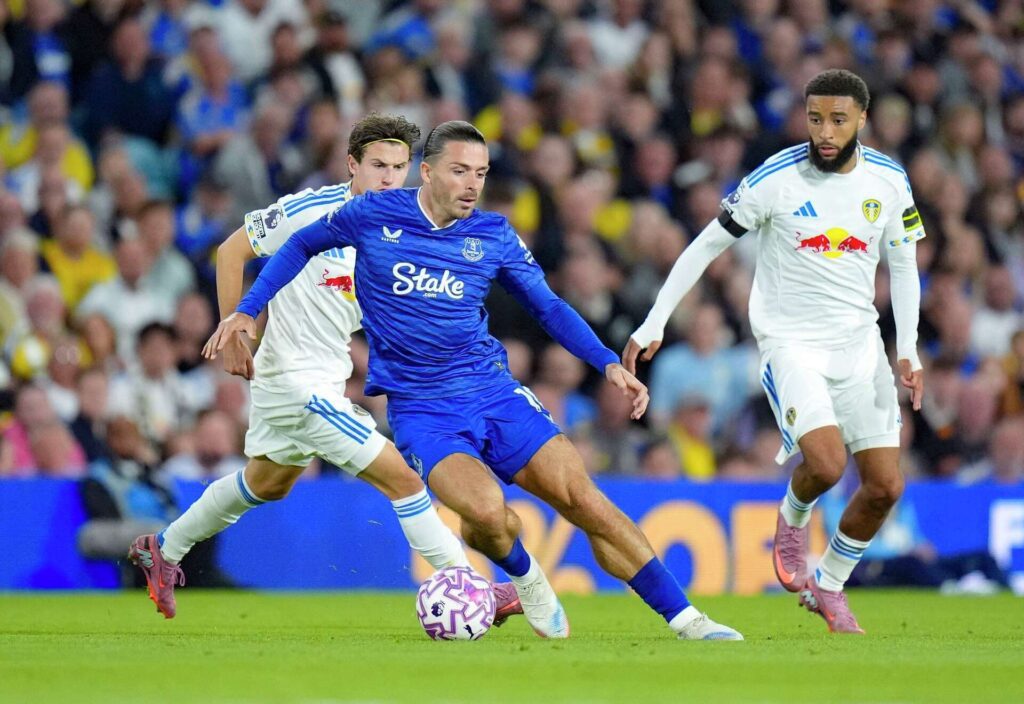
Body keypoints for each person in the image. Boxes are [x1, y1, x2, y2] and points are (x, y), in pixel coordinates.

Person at [206, 120, 743, 641]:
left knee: (583, 498)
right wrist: (247, 311)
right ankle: (528, 578)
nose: (472, 185)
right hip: (423, 411)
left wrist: (606, 362)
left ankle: (687, 619)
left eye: (481, 173)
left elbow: (548, 306)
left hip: (493, 392)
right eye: (460, 171)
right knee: (488, 514)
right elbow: (300, 245)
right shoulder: (373, 214)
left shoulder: (493, 234)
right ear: (428, 172)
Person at [129, 113, 520, 624]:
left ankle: (163, 548)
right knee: (404, 478)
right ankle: (473, 586)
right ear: (352, 164)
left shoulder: (408, 227)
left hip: (324, 378)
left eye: (399, 167)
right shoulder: (311, 211)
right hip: (295, 384)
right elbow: (230, 251)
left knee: (267, 483)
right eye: (378, 165)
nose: (389, 178)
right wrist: (235, 330)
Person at [623, 69, 926, 634]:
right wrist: (654, 321)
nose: (825, 132)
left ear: (863, 119)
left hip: (860, 345)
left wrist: (906, 348)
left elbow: (904, 265)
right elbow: (706, 244)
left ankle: (829, 585)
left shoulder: (889, 180)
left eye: (838, 120)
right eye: (815, 119)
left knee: (886, 486)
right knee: (827, 464)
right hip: (792, 345)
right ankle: (793, 514)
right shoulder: (775, 178)